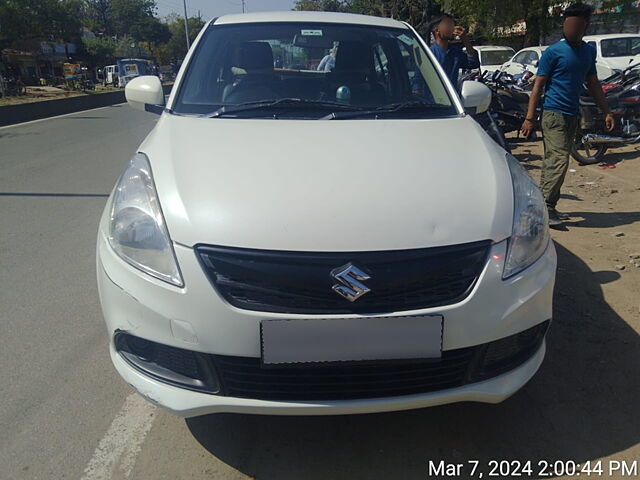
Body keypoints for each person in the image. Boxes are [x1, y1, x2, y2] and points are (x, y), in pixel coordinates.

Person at [521, 2, 615, 227]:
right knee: (558, 160)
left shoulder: (587, 52)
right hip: (553, 114)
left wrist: (606, 112)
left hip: (573, 114)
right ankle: (544, 209)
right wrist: (529, 117)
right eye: (567, 24)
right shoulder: (553, 52)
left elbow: (593, 84)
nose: (570, 29)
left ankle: (548, 207)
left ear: (585, 26)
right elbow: (538, 86)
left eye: (576, 25)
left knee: (556, 162)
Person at [428, 14, 479, 87]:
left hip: (451, 97)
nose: (452, 29)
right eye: (448, 25)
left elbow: (473, 63)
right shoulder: (429, 53)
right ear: (437, 30)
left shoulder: (455, 53)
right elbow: (417, 81)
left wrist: (465, 40)